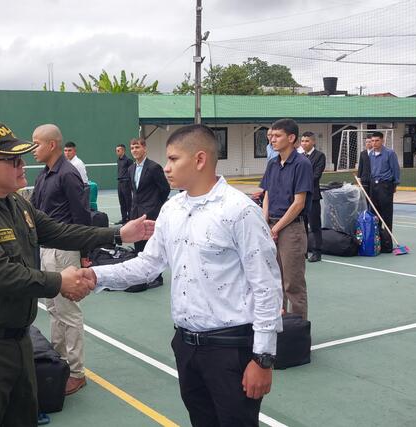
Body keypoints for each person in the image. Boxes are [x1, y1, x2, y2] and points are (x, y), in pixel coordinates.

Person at [0, 120, 153, 427]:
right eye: (12, 160)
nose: (22, 165)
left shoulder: (14, 205)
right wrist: (59, 282)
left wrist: (117, 234)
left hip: (17, 343)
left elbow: (59, 231)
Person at [83, 124, 283, 427]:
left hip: (230, 349)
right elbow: (148, 265)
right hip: (187, 346)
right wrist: (95, 276)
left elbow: (267, 285)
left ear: (200, 160)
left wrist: (263, 358)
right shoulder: (172, 209)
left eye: (174, 159)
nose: (166, 168)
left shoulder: (239, 211)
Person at [31, 125, 91, 395]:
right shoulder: (45, 174)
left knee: (68, 311)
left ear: (52, 145)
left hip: (65, 252)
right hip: (48, 250)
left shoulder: (68, 174)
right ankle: (59, 361)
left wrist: (85, 253)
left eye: (37, 144)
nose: (33, 149)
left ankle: (76, 371)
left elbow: (82, 216)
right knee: (53, 308)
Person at [260, 118, 312, 320]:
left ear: (291, 138)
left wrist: (276, 229)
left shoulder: (302, 164)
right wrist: (265, 223)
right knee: (274, 281)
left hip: (291, 229)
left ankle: (298, 330)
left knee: (293, 284)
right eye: (271, 136)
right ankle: (277, 326)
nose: (272, 139)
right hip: (272, 225)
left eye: (277, 135)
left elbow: (298, 203)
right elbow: (267, 195)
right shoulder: (273, 164)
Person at [129, 137, 169, 288]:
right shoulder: (130, 169)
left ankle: (157, 278)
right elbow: (134, 192)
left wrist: (155, 207)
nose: (134, 150)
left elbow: (164, 189)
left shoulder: (153, 167)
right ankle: (144, 275)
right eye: (132, 148)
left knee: (152, 246)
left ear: (144, 149)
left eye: (137, 147)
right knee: (138, 246)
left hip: (150, 213)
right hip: (136, 213)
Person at [368, 131, 400, 253]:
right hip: (373, 185)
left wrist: (395, 184)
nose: (374, 143)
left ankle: (387, 245)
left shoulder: (389, 153)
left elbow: (395, 169)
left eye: (377, 140)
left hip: (385, 185)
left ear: (382, 141)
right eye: (372, 141)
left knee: (386, 215)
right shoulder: (371, 154)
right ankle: (377, 243)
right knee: (375, 215)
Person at [301, 131, 325, 262]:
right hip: (300, 197)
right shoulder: (299, 156)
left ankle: (317, 252)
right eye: (303, 141)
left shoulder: (319, 156)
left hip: (313, 196)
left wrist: (301, 182)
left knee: (315, 225)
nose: (304, 143)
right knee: (302, 225)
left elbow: (316, 176)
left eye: (307, 141)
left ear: (313, 142)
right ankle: (303, 250)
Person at [115, 143, 133, 224]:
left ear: (123, 150)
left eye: (118, 150)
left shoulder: (128, 160)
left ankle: (130, 218)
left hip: (126, 183)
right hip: (120, 183)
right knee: (122, 201)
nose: (117, 152)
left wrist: (130, 184)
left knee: (128, 201)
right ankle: (124, 218)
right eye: (116, 150)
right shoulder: (118, 160)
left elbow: (132, 172)